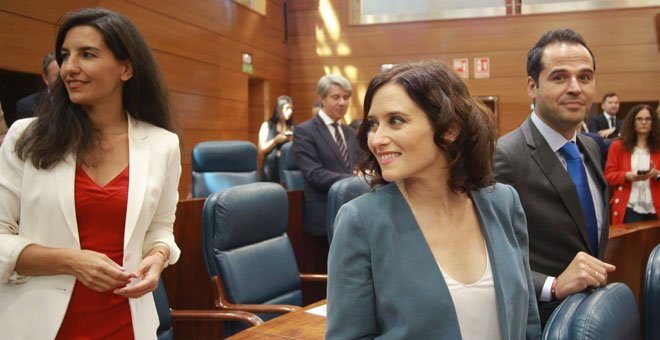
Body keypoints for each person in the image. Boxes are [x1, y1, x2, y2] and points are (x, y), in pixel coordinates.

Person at [0, 8, 181, 339]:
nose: (70, 67)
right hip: (38, 326)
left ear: (126, 68)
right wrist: (71, 261)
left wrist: (157, 257)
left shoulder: (162, 145)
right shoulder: (26, 136)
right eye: (66, 55)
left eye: (87, 54)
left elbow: (160, 227)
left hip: (127, 324)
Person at [327, 61, 541, 339]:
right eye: (373, 124)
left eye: (396, 120)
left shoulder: (503, 202)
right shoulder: (361, 221)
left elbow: (528, 322)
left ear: (450, 128)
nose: (377, 139)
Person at [493, 28, 615, 325]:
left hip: (590, 315)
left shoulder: (590, 147)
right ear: (532, 86)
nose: (575, 87)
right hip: (540, 320)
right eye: (560, 77)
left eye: (584, 77)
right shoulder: (506, 155)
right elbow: (489, 256)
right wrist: (553, 285)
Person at [293, 74, 359, 237]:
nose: (342, 103)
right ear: (322, 99)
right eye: (336, 97)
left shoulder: (351, 133)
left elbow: (358, 166)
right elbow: (314, 174)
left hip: (355, 212)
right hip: (325, 212)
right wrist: (353, 179)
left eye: (346, 97)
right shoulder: (305, 132)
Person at [605, 104, 660, 224]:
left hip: (655, 208)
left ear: (653, 122)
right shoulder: (618, 146)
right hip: (628, 208)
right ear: (632, 122)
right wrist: (627, 176)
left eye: (648, 119)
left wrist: (657, 174)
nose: (644, 122)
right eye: (639, 119)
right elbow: (608, 176)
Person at [258, 95, 293, 183]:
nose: (290, 111)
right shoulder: (267, 125)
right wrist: (275, 140)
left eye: (291, 109)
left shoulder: (292, 128)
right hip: (270, 169)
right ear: (279, 108)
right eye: (287, 108)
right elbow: (261, 150)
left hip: (286, 169)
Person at [15, 52, 60, 119]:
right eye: (59, 76)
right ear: (46, 79)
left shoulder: (77, 101)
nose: (65, 79)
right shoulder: (28, 106)